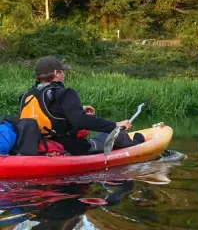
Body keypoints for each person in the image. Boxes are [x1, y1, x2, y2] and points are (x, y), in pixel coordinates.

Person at [17, 56, 145, 156]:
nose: (64, 75)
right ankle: (137, 146)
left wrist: (77, 110)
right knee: (117, 135)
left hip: (37, 146)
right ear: (56, 73)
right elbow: (81, 121)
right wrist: (115, 125)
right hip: (71, 148)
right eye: (62, 72)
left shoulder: (26, 96)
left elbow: (44, 115)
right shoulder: (65, 93)